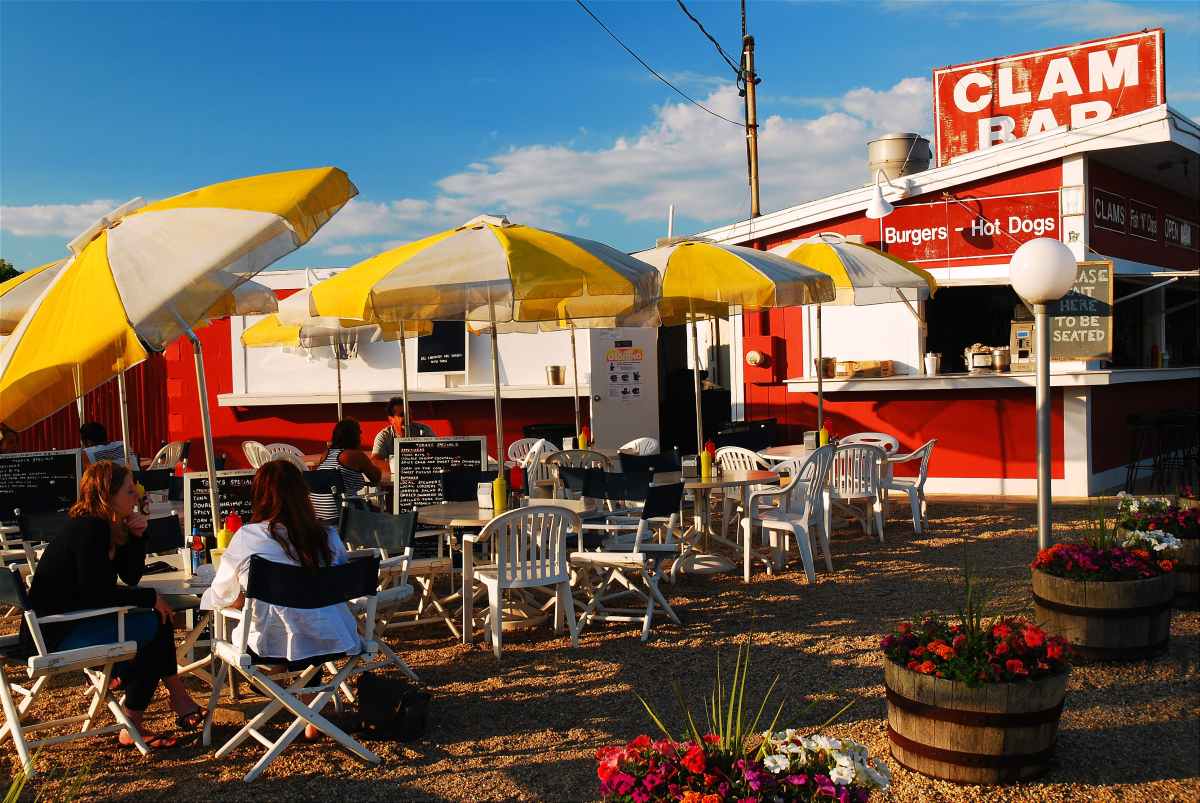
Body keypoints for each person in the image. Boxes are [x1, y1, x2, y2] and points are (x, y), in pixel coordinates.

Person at [19, 461, 203, 749]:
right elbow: (95, 593)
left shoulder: (105, 526)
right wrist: (149, 598)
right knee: (155, 628)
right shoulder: (89, 529)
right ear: (108, 495)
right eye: (129, 491)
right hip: (54, 635)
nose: (136, 496)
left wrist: (137, 537)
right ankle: (144, 715)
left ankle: (161, 697)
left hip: (69, 622)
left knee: (155, 624)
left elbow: (130, 577)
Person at [200, 460, 361, 740]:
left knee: (286, 624)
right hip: (333, 637)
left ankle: (283, 690)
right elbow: (339, 583)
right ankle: (312, 713)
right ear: (303, 493)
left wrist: (240, 600)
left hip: (269, 644)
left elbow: (222, 594)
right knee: (305, 620)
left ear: (260, 496)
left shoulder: (248, 537)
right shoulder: (327, 536)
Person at [311, 418, 382, 522]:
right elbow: (376, 477)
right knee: (379, 511)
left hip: (319, 515)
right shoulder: (355, 455)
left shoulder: (326, 454)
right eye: (359, 434)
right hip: (344, 513)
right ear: (355, 437)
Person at [369, 396, 407, 471]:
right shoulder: (384, 436)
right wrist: (400, 468)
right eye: (402, 415)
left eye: (409, 413)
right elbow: (375, 461)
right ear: (391, 419)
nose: (407, 418)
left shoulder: (424, 430)